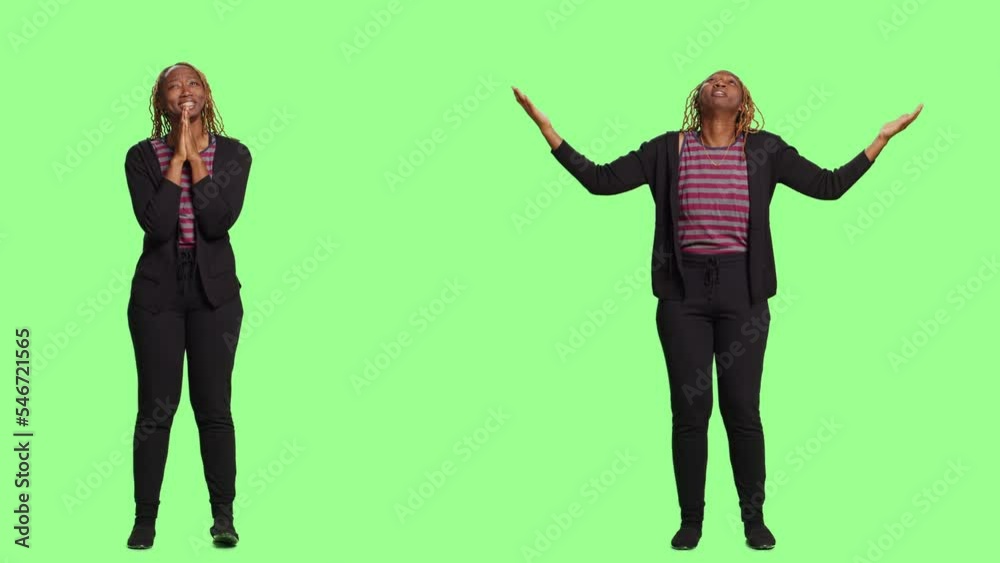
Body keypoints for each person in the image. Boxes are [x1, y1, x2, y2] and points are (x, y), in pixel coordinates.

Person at [513, 70, 921, 550]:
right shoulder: (667, 149)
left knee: (742, 409)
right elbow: (601, 181)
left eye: (731, 80)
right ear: (699, 98)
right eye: (712, 80)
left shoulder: (765, 149)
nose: (721, 81)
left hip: (743, 296)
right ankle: (691, 521)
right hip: (682, 297)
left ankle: (754, 521)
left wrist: (881, 139)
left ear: (744, 101)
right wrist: (547, 130)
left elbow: (828, 186)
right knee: (690, 411)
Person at [123, 61, 252, 549]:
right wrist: (175, 158)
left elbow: (217, 221)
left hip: (214, 295)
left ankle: (223, 517)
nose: (184, 91)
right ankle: (145, 518)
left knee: (214, 407)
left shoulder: (235, 154)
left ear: (206, 94)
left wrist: (195, 158)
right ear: (161, 101)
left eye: (192, 82)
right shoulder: (140, 157)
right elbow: (157, 227)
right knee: (156, 409)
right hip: (158, 294)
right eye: (173, 85)